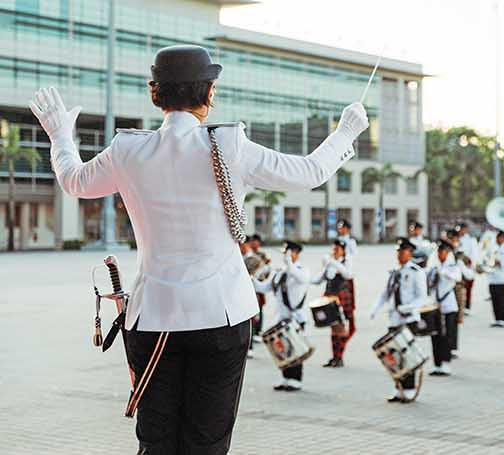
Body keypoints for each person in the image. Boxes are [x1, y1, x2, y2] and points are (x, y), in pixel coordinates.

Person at [32, 43, 367, 452]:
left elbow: (74, 181)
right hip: (220, 317)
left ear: (155, 93)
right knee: (206, 444)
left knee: (156, 444)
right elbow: (310, 171)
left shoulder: (128, 150)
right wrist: (346, 130)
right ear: (209, 93)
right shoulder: (229, 145)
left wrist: (59, 134)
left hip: (154, 320)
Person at [370, 239, 427, 403]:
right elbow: (385, 294)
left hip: (409, 319)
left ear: (410, 253)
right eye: (398, 251)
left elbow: (422, 297)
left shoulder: (416, 272)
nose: (399, 254)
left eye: (403, 251)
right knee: (394, 356)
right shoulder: (394, 272)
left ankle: (409, 389)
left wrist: (408, 308)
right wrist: (375, 308)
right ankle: (398, 387)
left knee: (407, 355)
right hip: (394, 319)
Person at [254, 241, 311, 391]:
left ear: (296, 253)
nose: (285, 254)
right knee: (283, 350)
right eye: (285, 251)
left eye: (288, 251)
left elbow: (300, 278)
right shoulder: (280, 272)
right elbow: (264, 288)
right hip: (280, 318)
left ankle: (296, 380)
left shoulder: (302, 270)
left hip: (296, 317)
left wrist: (289, 262)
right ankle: (286, 378)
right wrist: (252, 278)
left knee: (295, 350)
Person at [310, 239, 356, 367]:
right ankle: (334, 357)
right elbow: (319, 279)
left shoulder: (346, 262)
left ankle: (339, 357)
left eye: (337, 249)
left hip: (341, 298)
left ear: (343, 251)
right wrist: (305, 278)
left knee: (340, 328)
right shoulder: (330, 264)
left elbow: (348, 274)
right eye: (333, 249)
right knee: (333, 328)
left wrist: (333, 262)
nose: (334, 251)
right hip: (330, 298)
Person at [426, 241, 465, 376]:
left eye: (443, 252)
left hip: (448, 305)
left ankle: (446, 364)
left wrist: (443, 272)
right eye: (439, 251)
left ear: (447, 253)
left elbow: (458, 277)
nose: (441, 254)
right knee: (435, 336)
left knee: (447, 336)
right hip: (434, 305)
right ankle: (437, 364)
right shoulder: (432, 266)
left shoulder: (452, 266)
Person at [485, 230, 504, 328]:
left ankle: (503, 319)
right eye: (497, 237)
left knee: (502, 299)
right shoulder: (491, 247)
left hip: (503, 277)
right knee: (494, 298)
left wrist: (501, 263)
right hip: (492, 277)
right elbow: (486, 258)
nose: (498, 239)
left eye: (501, 237)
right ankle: (497, 319)